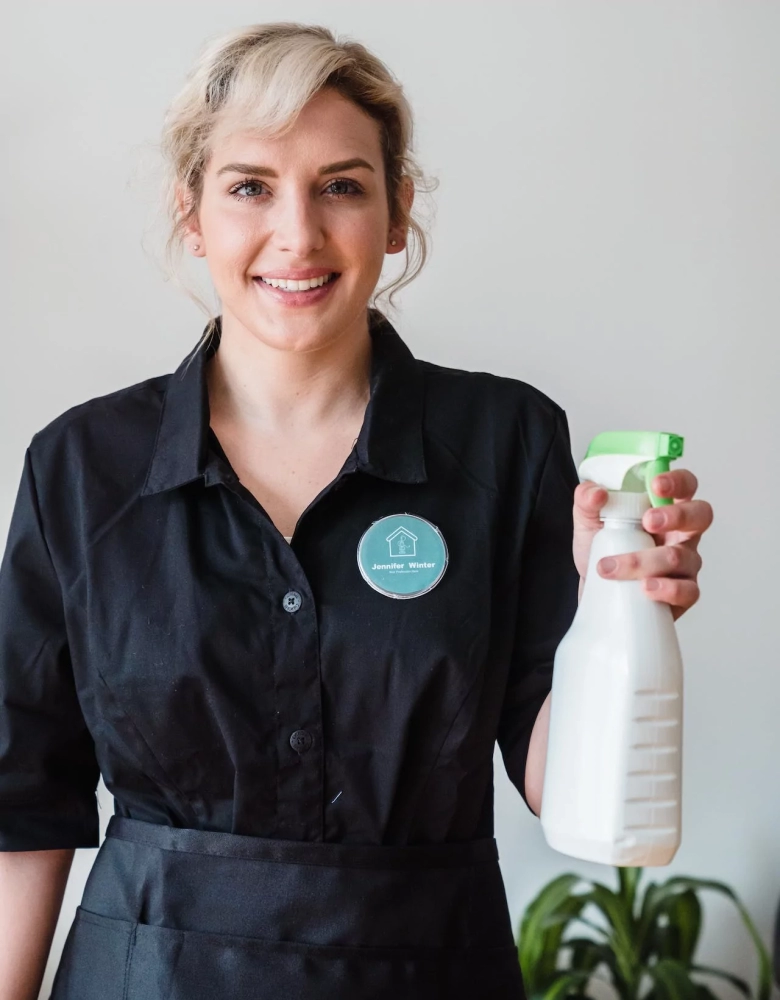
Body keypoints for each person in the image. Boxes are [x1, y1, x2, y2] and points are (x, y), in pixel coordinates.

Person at [0, 22, 713, 1000]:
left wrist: (617, 611)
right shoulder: (83, 466)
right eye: (250, 186)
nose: (298, 234)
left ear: (396, 211)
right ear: (192, 213)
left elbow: (562, 790)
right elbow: (21, 802)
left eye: (340, 185)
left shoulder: (506, 441)